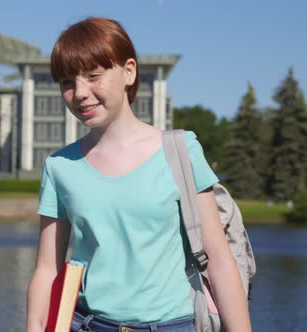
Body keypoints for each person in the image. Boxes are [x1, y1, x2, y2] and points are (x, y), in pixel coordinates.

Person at [26, 17, 251, 332]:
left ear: (128, 71)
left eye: (93, 76)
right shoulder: (59, 166)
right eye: (67, 82)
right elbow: (47, 270)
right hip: (88, 325)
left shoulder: (180, 150)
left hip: (174, 326)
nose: (79, 93)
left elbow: (218, 258)